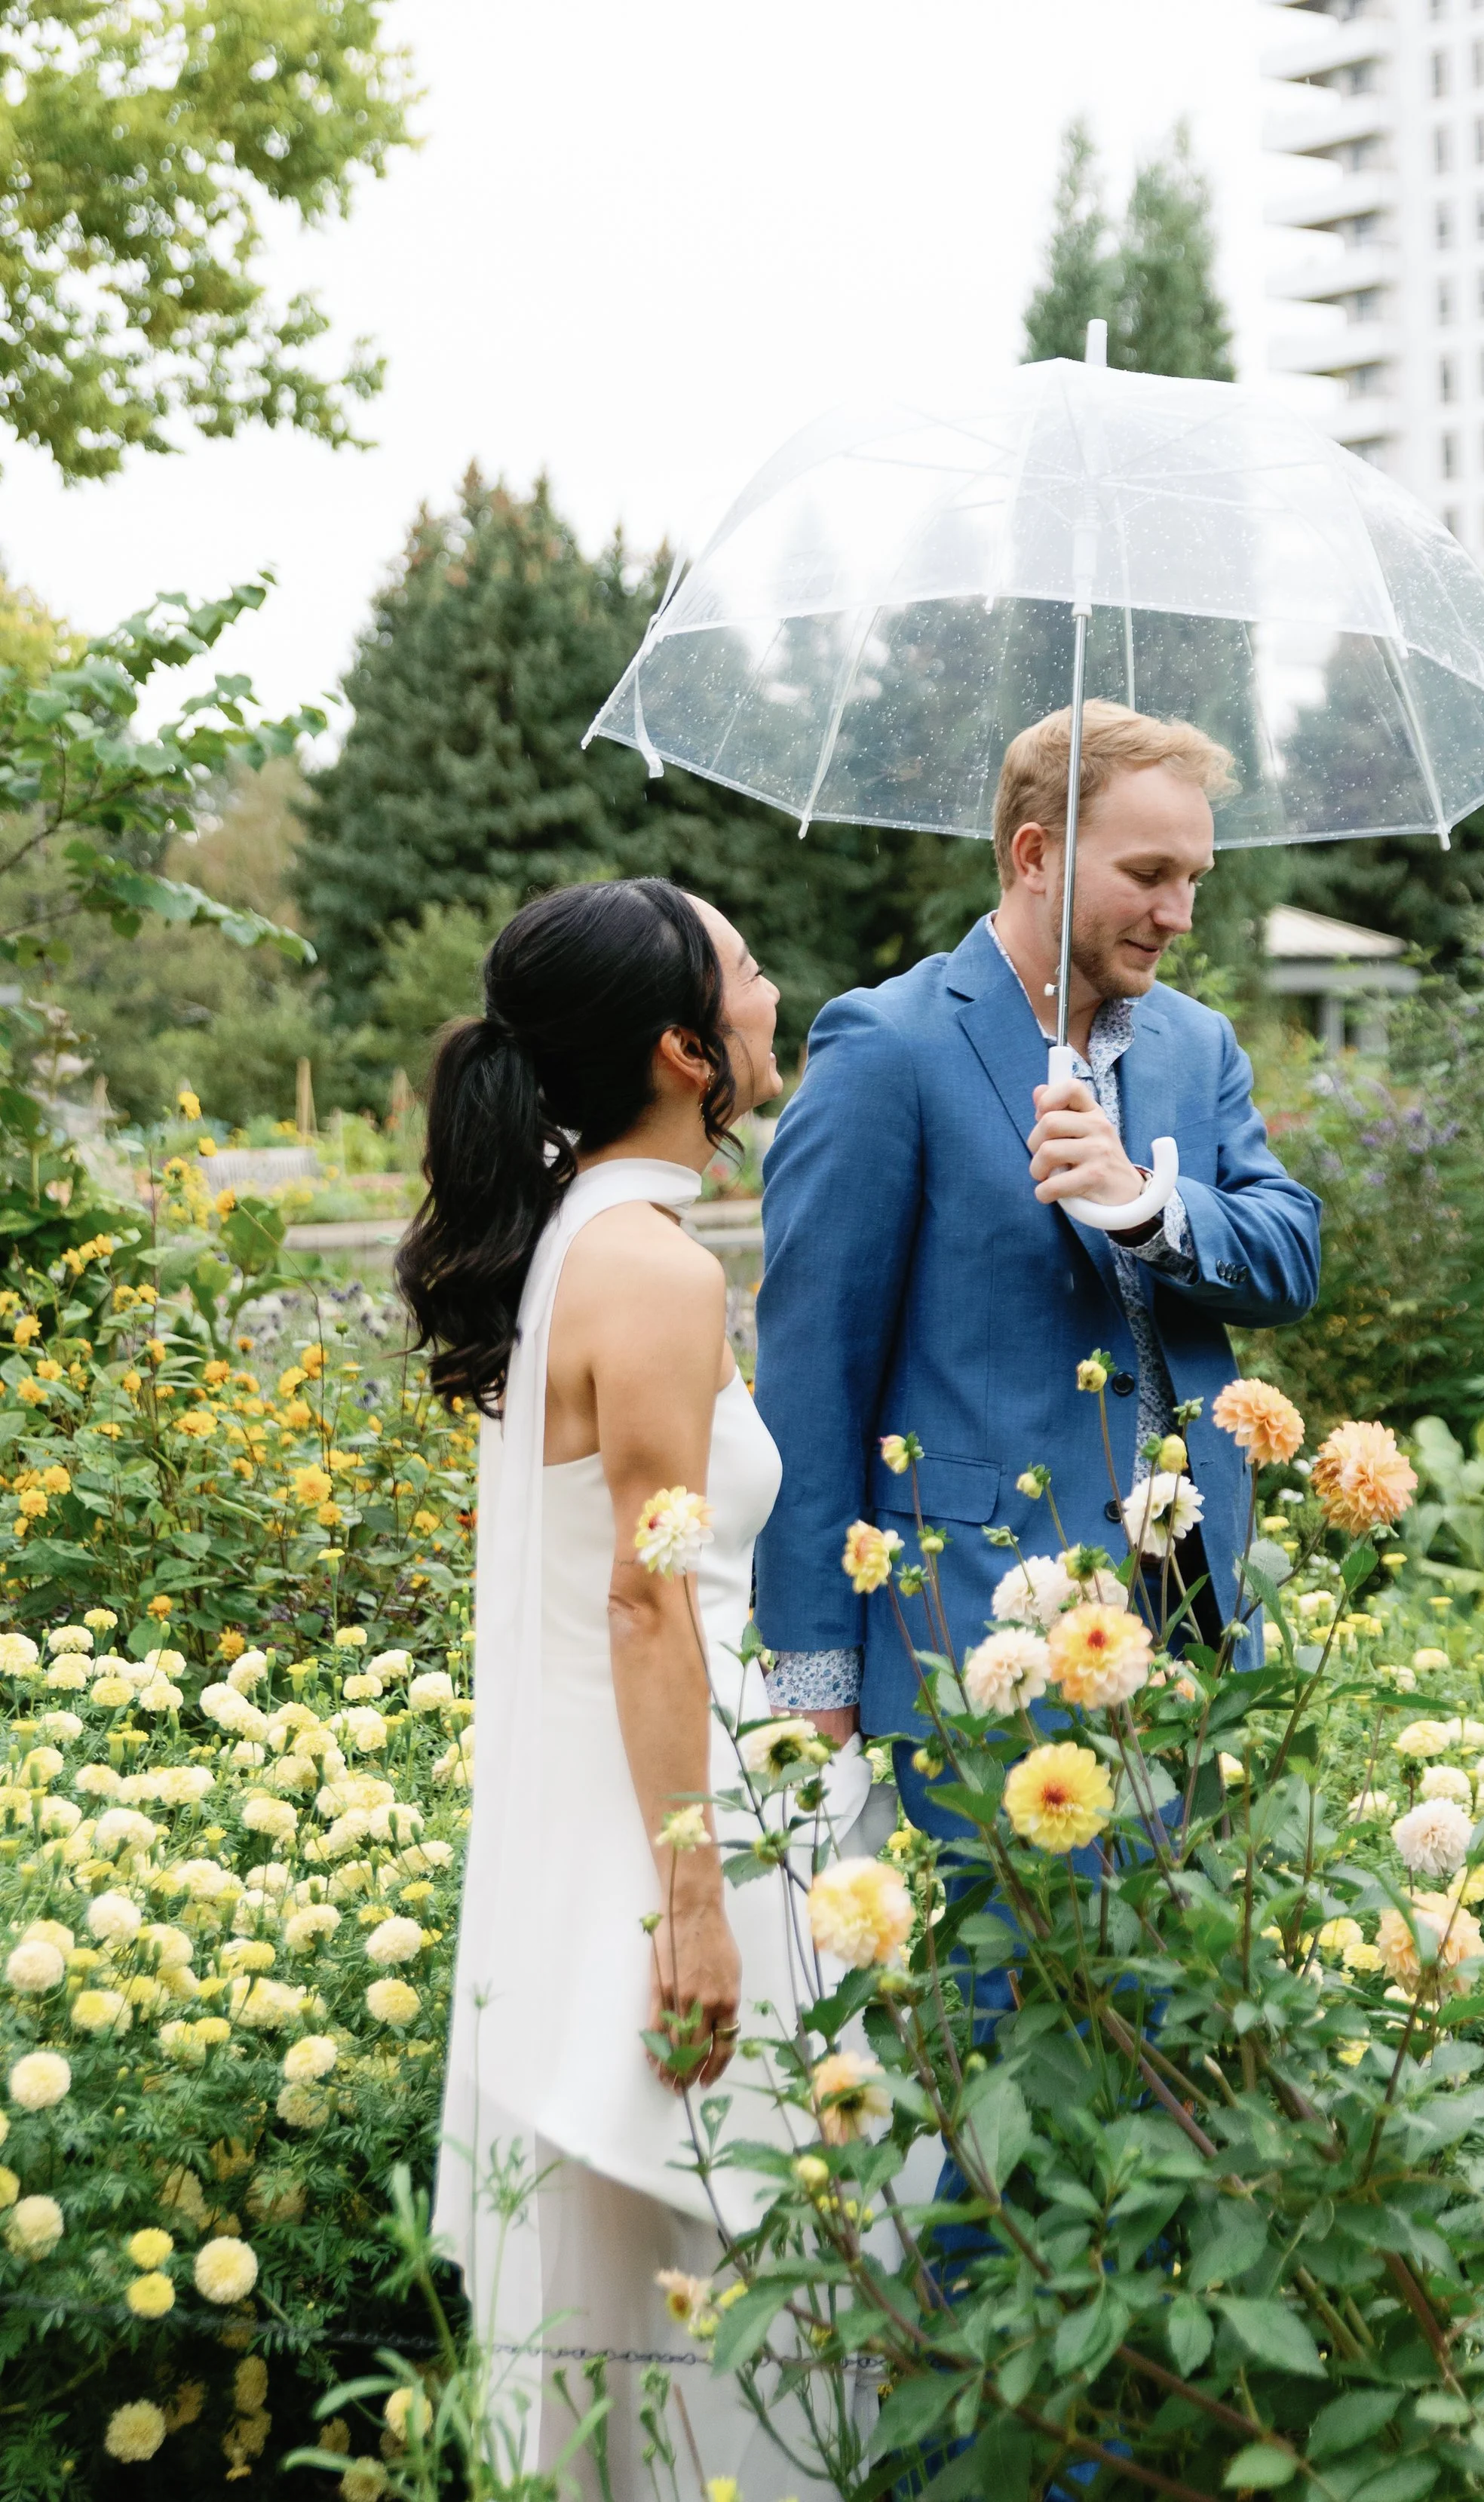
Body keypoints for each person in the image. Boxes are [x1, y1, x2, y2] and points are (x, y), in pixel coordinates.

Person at [407, 878, 866, 2502]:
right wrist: (693, 1896)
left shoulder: (569, 1242)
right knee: (719, 2322)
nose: (769, 990)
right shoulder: (653, 1274)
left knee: (641, 2319)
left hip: (608, 1815)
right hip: (663, 1828)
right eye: (745, 971)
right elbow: (642, 1604)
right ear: (684, 1048)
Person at [753, 701, 1322, 1822]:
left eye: (1195, 877)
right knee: (1001, 1996)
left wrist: (1147, 1207)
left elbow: (1291, 1255)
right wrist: (813, 1675)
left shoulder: (1196, 1044)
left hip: (1199, 1641)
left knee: (1177, 1991)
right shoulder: (888, 1048)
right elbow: (812, 1382)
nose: (1180, 912)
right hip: (977, 1642)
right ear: (1034, 854)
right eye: (1150, 872)